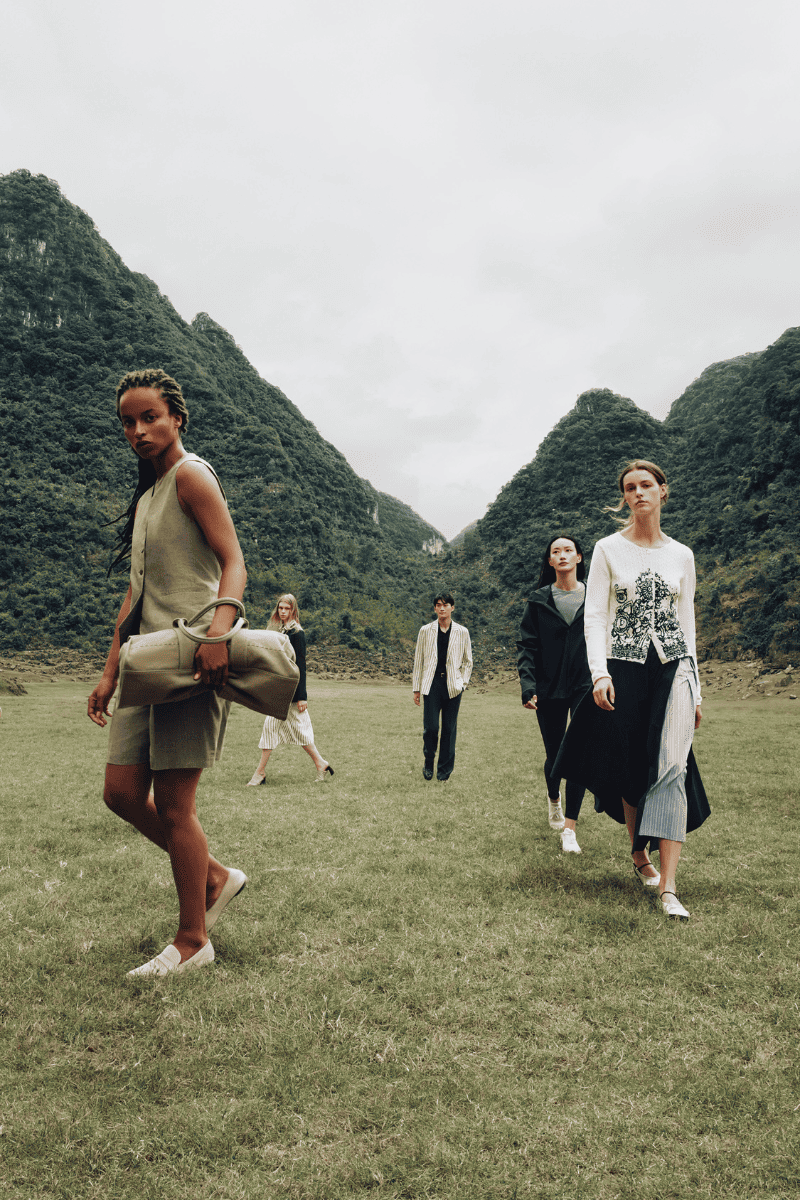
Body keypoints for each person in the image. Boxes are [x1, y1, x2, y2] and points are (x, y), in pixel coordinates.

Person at [88, 368, 249, 977]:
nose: (138, 430)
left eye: (150, 417)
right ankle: (213, 877)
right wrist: (108, 673)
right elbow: (133, 599)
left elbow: (234, 562)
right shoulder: (149, 495)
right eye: (128, 422)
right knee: (122, 793)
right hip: (142, 664)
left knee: (177, 807)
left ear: (177, 417)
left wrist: (219, 633)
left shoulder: (191, 476)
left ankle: (192, 941)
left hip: (190, 660)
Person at [555, 459, 710, 919]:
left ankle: (669, 888)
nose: (638, 493)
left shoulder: (681, 554)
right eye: (630, 487)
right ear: (625, 497)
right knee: (629, 764)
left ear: (664, 492)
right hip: (624, 667)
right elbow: (597, 616)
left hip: (674, 668)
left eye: (647, 485)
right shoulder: (606, 549)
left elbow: (687, 621)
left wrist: (696, 689)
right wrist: (600, 673)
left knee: (671, 767)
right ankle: (638, 853)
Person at [517, 535, 592, 852]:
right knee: (555, 755)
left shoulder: (595, 596)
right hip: (548, 688)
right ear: (550, 562)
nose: (562, 555)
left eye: (568, 550)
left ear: (578, 558)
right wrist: (528, 685)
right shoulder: (537, 601)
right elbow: (526, 646)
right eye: (555, 552)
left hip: (584, 684)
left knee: (579, 754)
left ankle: (570, 830)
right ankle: (553, 799)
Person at [246, 593, 333, 784]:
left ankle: (261, 772)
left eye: (287, 608)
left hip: (292, 693)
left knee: (287, 730)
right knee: (283, 730)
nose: (283, 612)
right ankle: (320, 764)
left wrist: (302, 696)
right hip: (280, 691)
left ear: (293, 610)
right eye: (280, 608)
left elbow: (300, 665)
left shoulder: (297, 633)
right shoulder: (282, 631)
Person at [412, 592, 472, 781]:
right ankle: (429, 761)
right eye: (438, 605)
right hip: (432, 684)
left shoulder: (462, 632)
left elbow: (468, 662)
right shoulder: (425, 630)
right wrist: (416, 688)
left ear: (452, 608)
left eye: (446, 605)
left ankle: (444, 772)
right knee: (431, 728)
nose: (442, 608)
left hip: (453, 686)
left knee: (449, 729)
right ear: (435, 608)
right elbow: (418, 661)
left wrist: (462, 683)